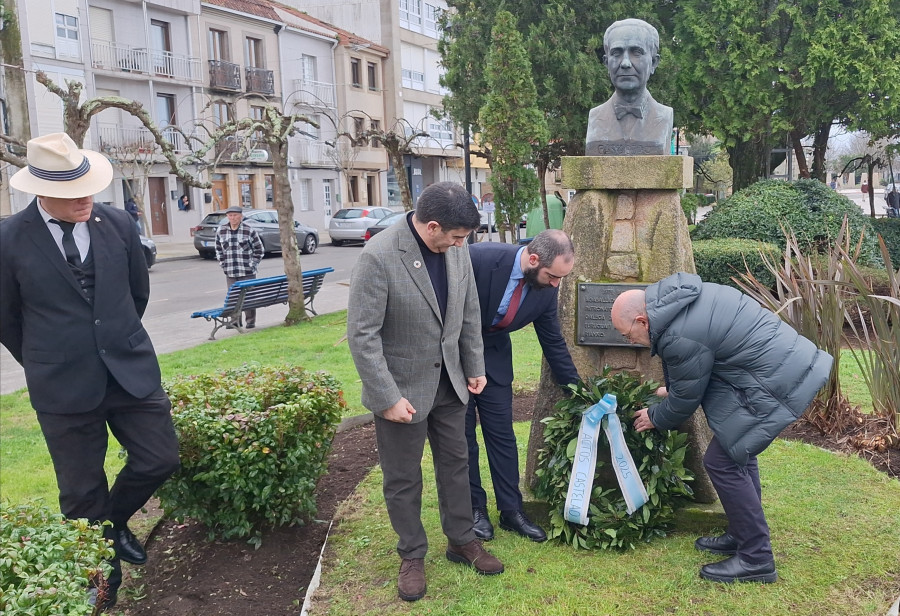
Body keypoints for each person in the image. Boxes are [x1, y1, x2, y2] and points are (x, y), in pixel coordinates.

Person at [0, 133, 180, 610]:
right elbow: (6, 318)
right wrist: (48, 357)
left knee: (160, 458)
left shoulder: (117, 224)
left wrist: (114, 342)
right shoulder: (7, 239)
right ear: (40, 191)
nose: (85, 198)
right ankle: (104, 584)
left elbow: (135, 295)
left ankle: (115, 522)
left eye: (88, 186)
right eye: (71, 191)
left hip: (130, 371)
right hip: (61, 383)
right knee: (80, 495)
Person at [610, 273, 833, 584]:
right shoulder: (678, 302)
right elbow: (696, 364)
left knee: (721, 461)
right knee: (736, 452)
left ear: (642, 321)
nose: (629, 341)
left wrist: (657, 417)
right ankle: (743, 535)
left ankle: (756, 559)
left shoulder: (678, 334)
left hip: (776, 380)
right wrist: (671, 391)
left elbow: (687, 398)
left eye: (626, 334)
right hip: (783, 367)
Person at [347, 182, 504, 603]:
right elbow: (363, 337)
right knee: (403, 479)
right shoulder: (379, 256)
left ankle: (461, 540)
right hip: (402, 393)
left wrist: (474, 367)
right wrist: (386, 397)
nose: (459, 245)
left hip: (451, 385)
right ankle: (412, 554)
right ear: (431, 226)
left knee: (457, 465)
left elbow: (469, 311)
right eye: (454, 237)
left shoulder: (457, 249)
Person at [467, 229, 580, 542]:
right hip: (455, 359)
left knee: (501, 436)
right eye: (552, 276)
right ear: (533, 259)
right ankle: (474, 509)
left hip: (495, 364)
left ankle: (511, 511)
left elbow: (552, 339)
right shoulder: (479, 258)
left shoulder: (546, 286)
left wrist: (578, 390)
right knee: (463, 440)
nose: (556, 284)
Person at [585, 18, 673, 156]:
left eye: (636, 52)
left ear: (654, 62)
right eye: (616, 53)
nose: (625, 63)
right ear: (606, 62)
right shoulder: (595, 118)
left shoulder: (664, 116)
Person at [215, 205, 263, 329]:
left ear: (241, 216)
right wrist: (223, 263)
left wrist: (252, 264)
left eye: (235, 215)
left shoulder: (249, 230)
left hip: (247, 271)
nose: (233, 218)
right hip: (230, 271)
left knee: (249, 297)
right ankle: (235, 321)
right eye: (230, 215)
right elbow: (218, 249)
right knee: (233, 297)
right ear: (227, 217)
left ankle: (250, 321)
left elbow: (259, 249)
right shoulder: (221, 230)